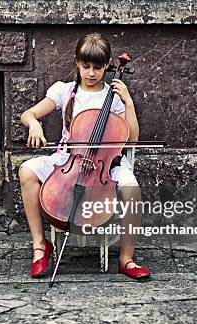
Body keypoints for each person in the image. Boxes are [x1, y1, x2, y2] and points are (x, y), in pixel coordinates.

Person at [18, 33, 150, 280]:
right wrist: (34, 123)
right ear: (77, 62)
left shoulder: (112, 97)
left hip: (105, 163)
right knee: (27, 170)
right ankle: (40, 245)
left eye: (98, 67)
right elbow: (28, 114)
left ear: (108, 64)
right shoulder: (65, 91)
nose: (91, 73)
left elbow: (131, 140)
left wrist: (128, 103)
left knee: (132, 188)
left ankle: (126, 258)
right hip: (68, 160)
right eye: (86, 66)